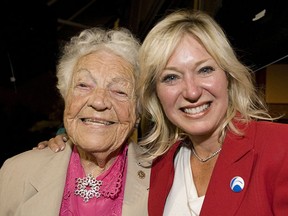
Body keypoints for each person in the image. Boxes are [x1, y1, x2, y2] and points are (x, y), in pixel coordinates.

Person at [41, 9, 288, 216]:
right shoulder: (160, 166)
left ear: (228, 76)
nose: (191, 91)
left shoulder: (279, 148)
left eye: (204, 70)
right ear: (155, 95)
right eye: (171, 77)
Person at [0, 27, 151, 216]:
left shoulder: (167, 179)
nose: (98, 101)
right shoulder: (16, 173)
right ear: (66, 97)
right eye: (84, 85)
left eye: (119, 91)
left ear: (138, 112)